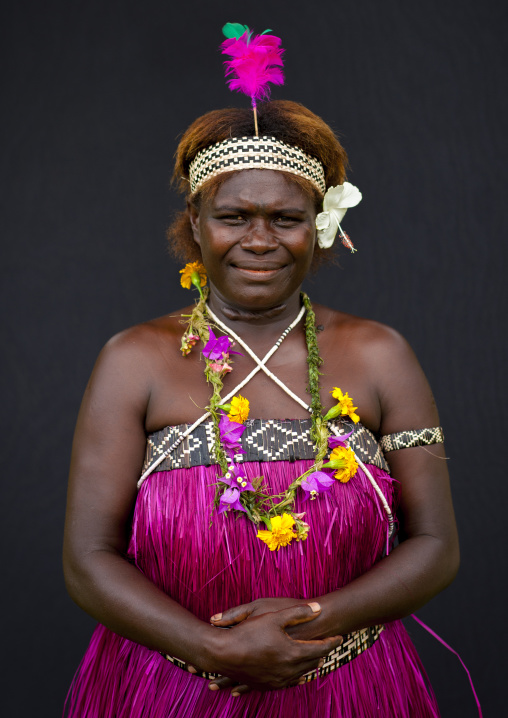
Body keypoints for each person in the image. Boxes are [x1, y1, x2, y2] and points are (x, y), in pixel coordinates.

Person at [63, 99, 459, 717]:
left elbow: (435, 544)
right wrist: (210, 649)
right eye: (233, 216)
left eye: (285, 218)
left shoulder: (381, 356)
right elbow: (88, 559)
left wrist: (313, 620)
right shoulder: (133, 360)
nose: (259, 240)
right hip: (171, 689)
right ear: (195, 221)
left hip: (349, 686)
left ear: (321, 223)